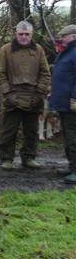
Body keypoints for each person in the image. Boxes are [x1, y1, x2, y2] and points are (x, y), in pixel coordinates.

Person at [0, 20, 50, 170]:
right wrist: (7, 93)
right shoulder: (6, 50)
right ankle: (6, 158)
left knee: (31, 131)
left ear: (31, 34)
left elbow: (45, 73)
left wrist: (40, 92)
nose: (23, 37)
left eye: (26, 34)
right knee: (9, 130)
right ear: (16, 34)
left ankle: (29, 157)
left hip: (33, 96)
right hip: (12, 96)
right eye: (21, 34)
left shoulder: (38, 50)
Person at [48, 24, 76, 182]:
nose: (61, 39)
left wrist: (74, 98)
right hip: (64, 103)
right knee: (68, 136)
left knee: (73, 137)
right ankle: (72, 166)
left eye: (64, 36)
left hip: (72, 104)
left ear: (73, 36)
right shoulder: (66, 52)